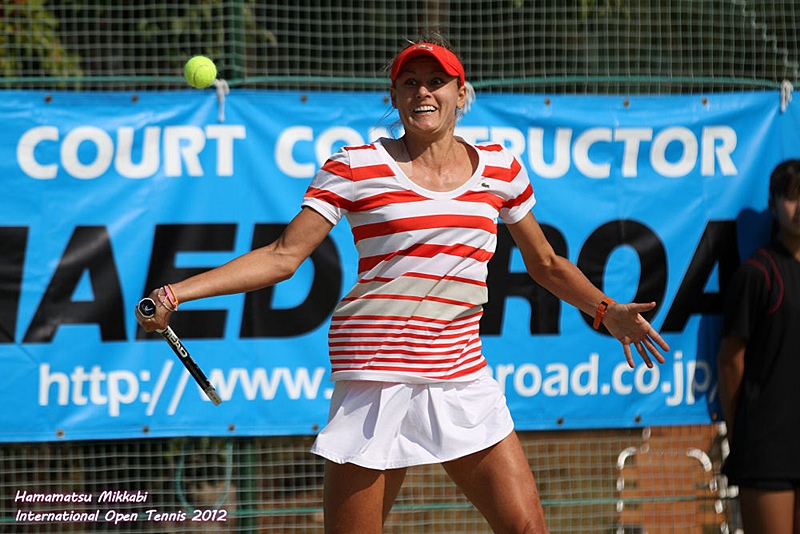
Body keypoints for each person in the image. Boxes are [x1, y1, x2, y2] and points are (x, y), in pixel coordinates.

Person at [137, 38, 669, 534]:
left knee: (528, 528)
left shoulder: (501, 169)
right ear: (393, 97)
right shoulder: (354, 166)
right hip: (375, 376)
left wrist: (606, 311)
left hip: (461, 376)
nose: (422, 92)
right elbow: (283, 256)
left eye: (436, 81)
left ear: (461, 93)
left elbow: (546, 263)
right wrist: (176, 293)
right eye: (409, 82)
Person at [717, 159, 800, 534]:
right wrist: (740, 436)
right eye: (792, 197)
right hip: (768, 450)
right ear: (773, 205)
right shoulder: (757, 273)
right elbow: (730, 362)